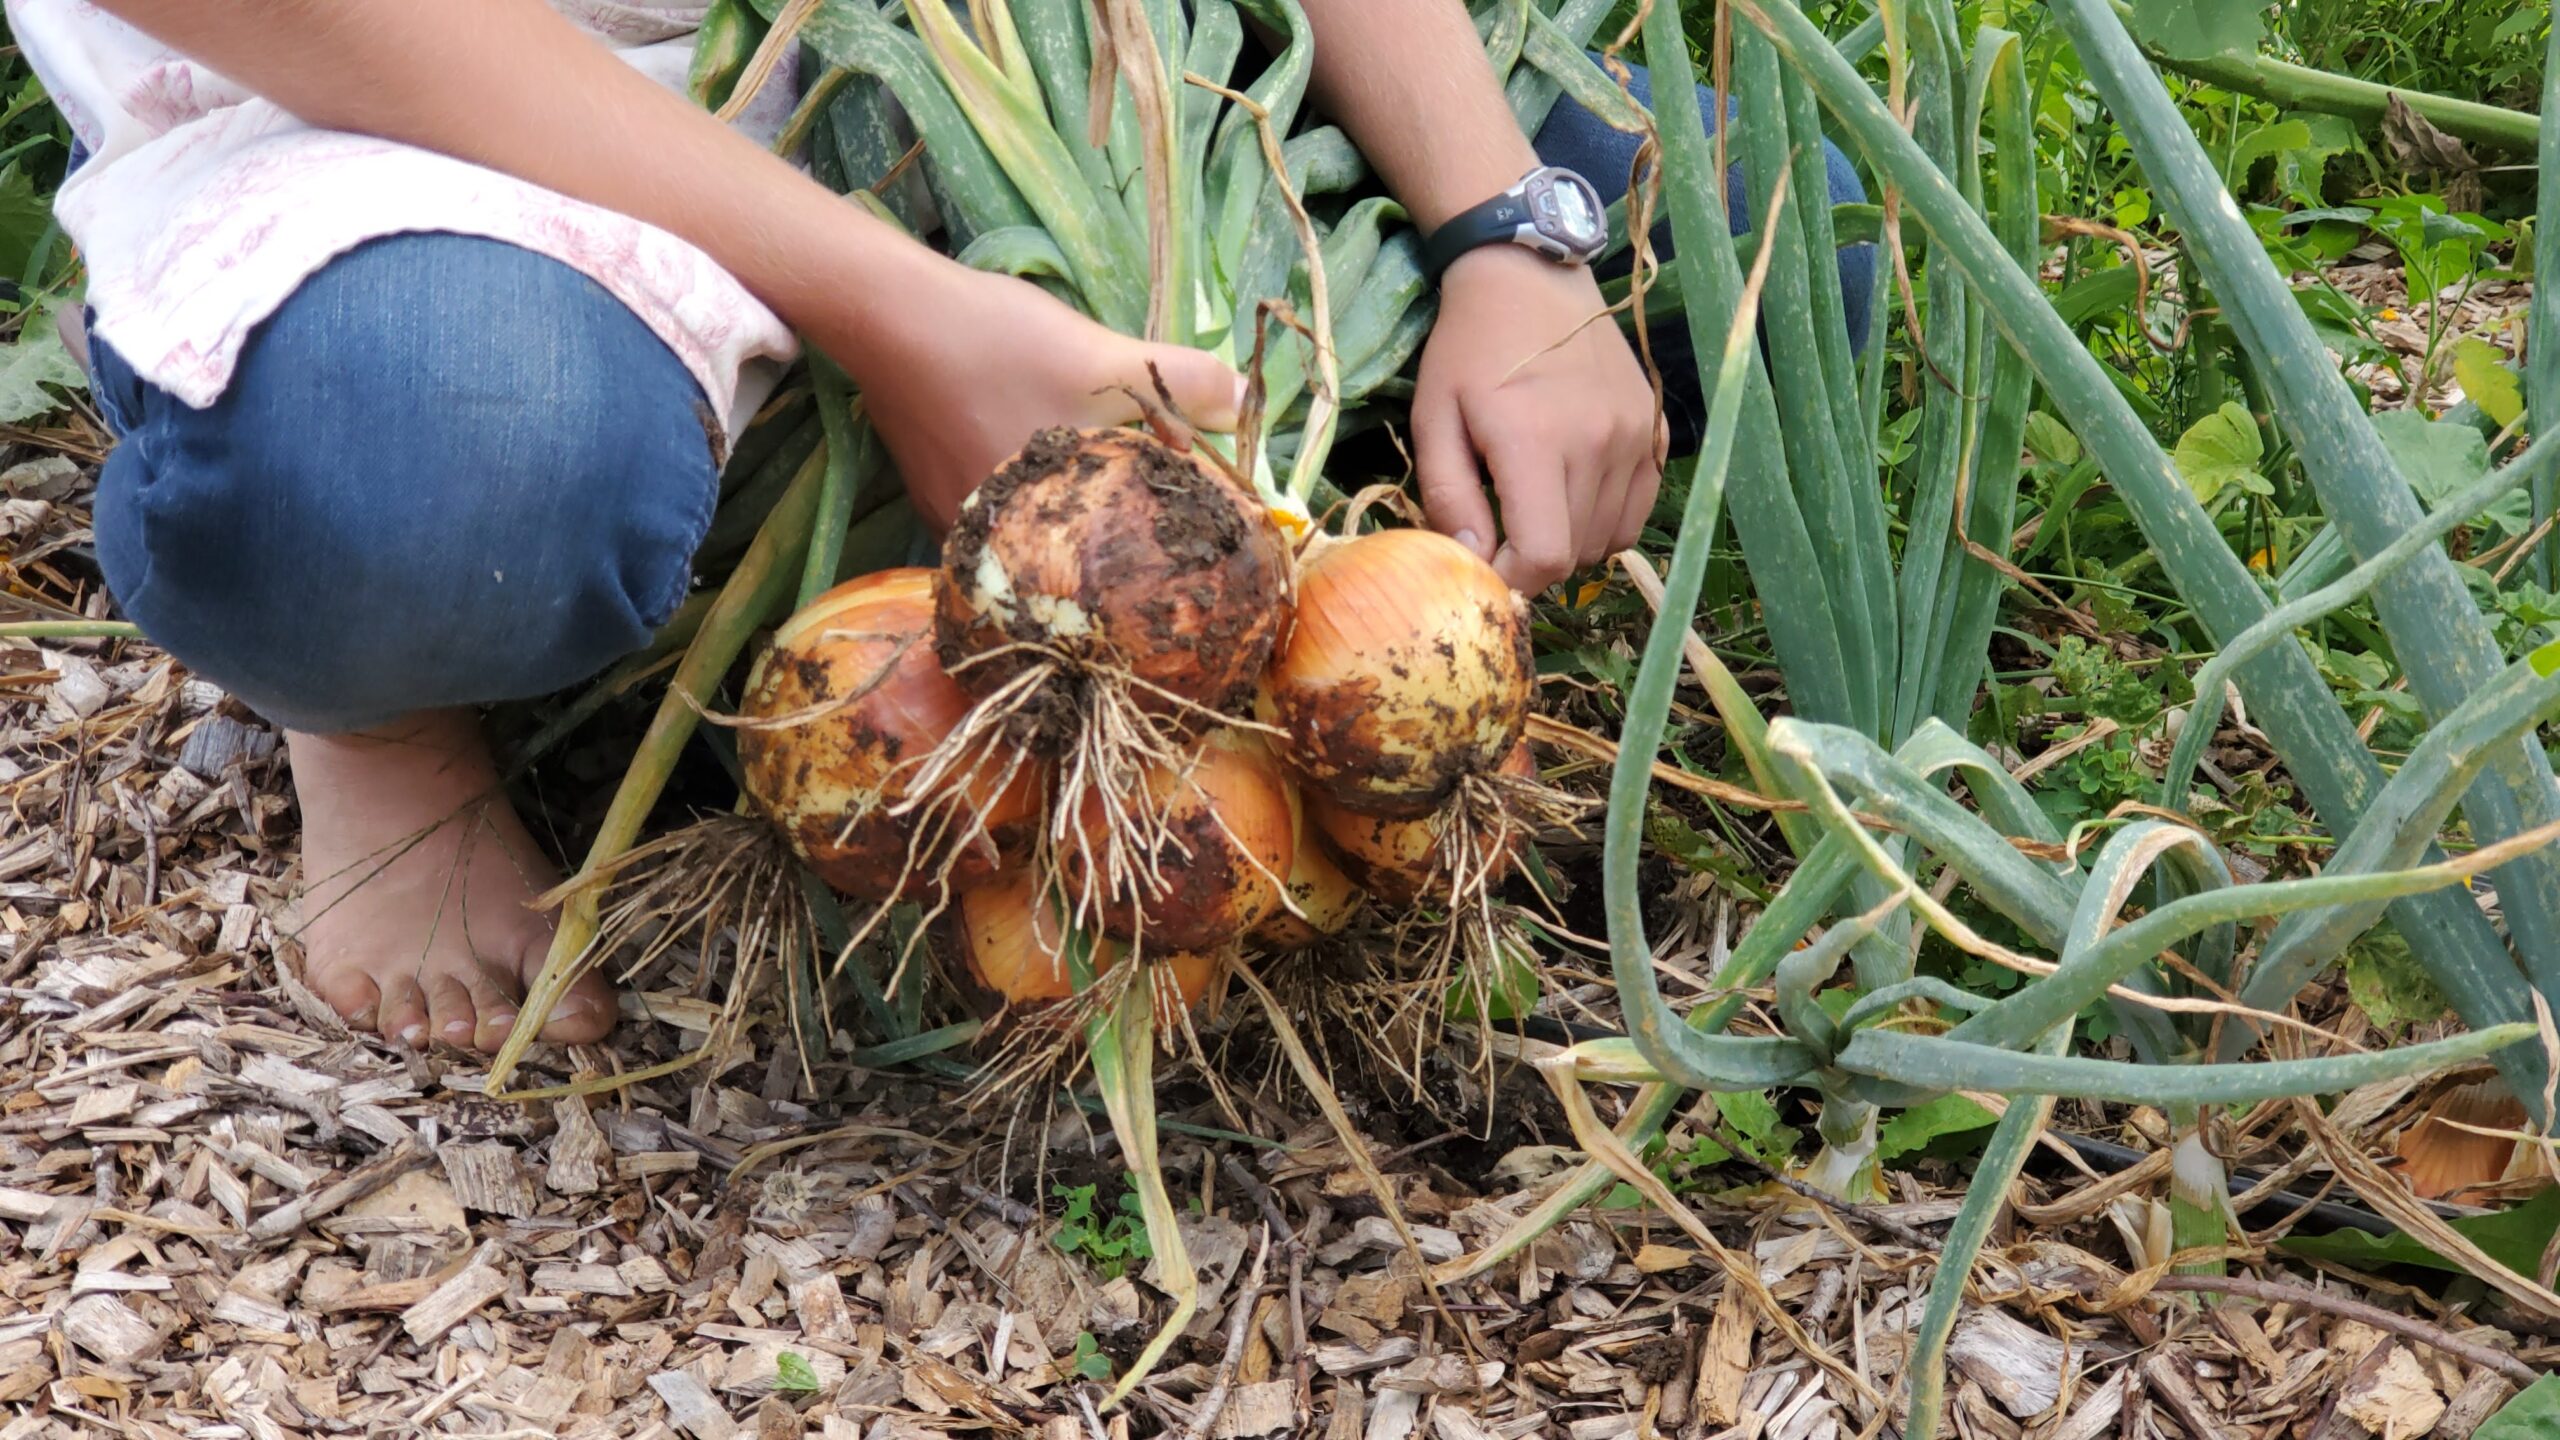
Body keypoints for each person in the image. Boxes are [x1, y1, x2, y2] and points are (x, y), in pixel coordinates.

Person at [14, 0, 1869, 1053]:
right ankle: (379, 694)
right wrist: (898, 307)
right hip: (421, 85)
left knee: (1809, 256)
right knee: (433, 475)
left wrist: (1501, 231)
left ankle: (1178, 502)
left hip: (1016, 31)